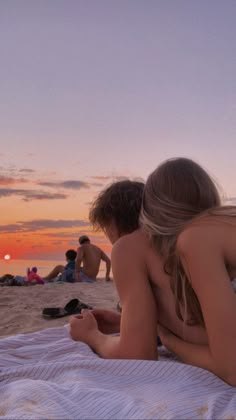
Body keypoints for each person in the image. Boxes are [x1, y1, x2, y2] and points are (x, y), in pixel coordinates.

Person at [70, 158, 236, 386]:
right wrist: (132, 324)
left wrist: (92, 337)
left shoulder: (134, 247)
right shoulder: (216, 236)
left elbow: (137, 355)